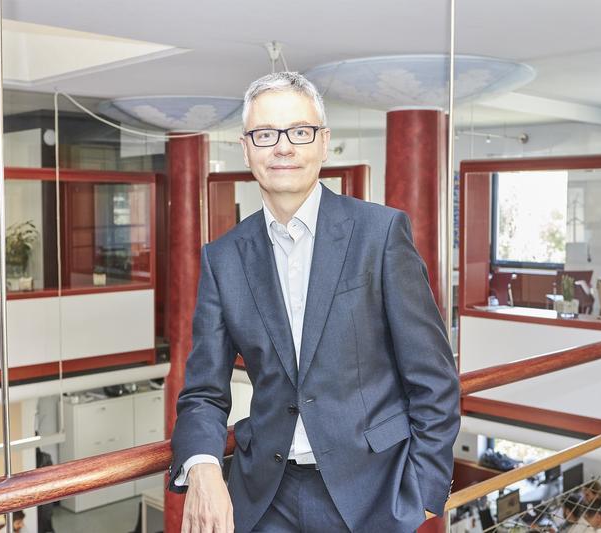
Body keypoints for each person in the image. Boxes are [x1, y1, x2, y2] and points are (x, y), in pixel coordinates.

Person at [168, 71, 461, 533]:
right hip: (265, 497)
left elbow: (434, 378)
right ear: (246, 148)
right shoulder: (223, 258)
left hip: (373, 493)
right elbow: (203, 391)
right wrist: (203, 466)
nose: (282, 147)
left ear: (323, 143)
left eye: (299, 132)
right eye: (265, 134)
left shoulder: (380, 234)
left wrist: (423, 494)